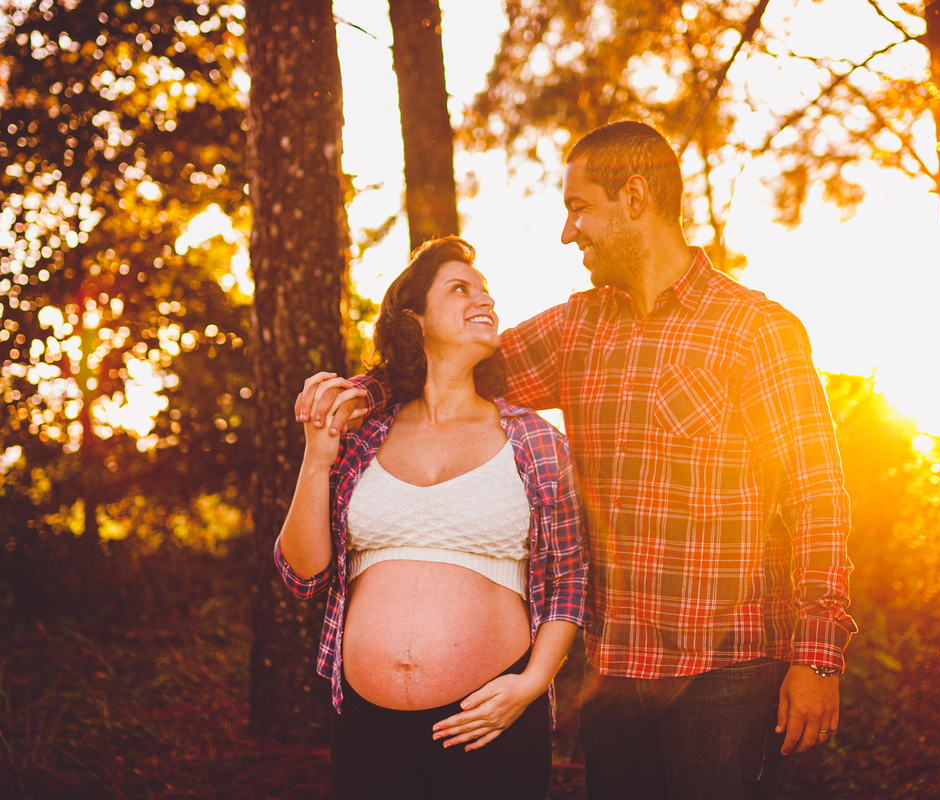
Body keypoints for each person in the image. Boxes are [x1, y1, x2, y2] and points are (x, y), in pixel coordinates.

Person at [299, 121, 856, 800]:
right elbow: (450, 365)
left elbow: (819, 494)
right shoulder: (576, 328)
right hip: (615, 671)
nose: (570, 232)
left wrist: (818, 656)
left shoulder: (755, 330)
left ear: (635, 195)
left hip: (726, 671)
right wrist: (351, 395)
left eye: (578, 208)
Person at [275, 236, 587, 800]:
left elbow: (570, 579)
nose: (484, 300)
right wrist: (316, 456)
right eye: (461, 288)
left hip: (490, 723)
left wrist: (531, 684)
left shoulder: (535, 441)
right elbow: (303, 573)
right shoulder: (363, 434)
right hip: (368, 730)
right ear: (413, 318)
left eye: (487, 292)